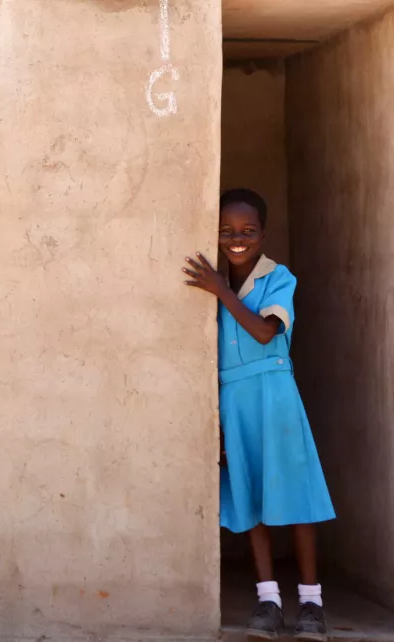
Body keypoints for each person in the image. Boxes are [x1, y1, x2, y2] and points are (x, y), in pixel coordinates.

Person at [183, 188, 336, 641]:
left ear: (263, 234)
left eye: (248, 231)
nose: (237, 238)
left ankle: (312, 603)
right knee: (250, 497)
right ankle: (268, 600)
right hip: (234, 400)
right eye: (227, 231)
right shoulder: (214, 283)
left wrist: (223, 292)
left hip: (275, 395)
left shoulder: (278, 278)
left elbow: (267, 332)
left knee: (296, 496)